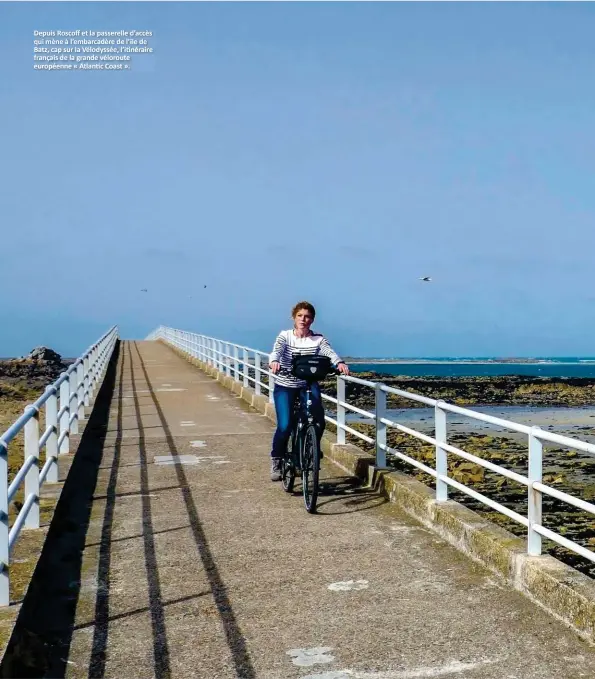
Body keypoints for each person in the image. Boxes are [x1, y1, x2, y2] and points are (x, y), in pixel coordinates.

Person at [268, 301, 349, 481]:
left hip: (307, 384)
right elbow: (277, 351)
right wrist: (274, 362)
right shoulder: (285, 336)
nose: (303, 319)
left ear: (312, 320)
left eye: (307, 317)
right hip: (285, 385)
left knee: (318, 420)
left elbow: (328, 352)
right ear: (293, 317)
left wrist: (339, 363)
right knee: (285, 425)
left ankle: (304, 453)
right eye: (300, 316)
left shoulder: (318, 339)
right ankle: (277, 459)